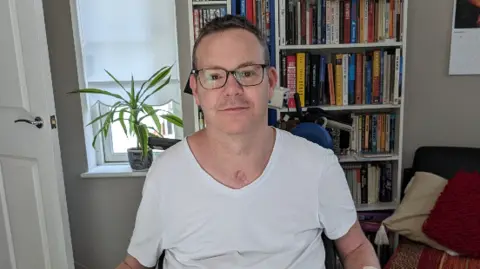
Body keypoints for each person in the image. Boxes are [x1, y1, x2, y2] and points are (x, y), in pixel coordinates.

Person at [116, 15, 380, 269]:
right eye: (214, 76)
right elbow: (134, 263)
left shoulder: (318, 165)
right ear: (196, 90)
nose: (232, 89)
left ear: (271, 83)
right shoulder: (165, 175)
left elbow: (355, 248)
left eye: (248, 73)